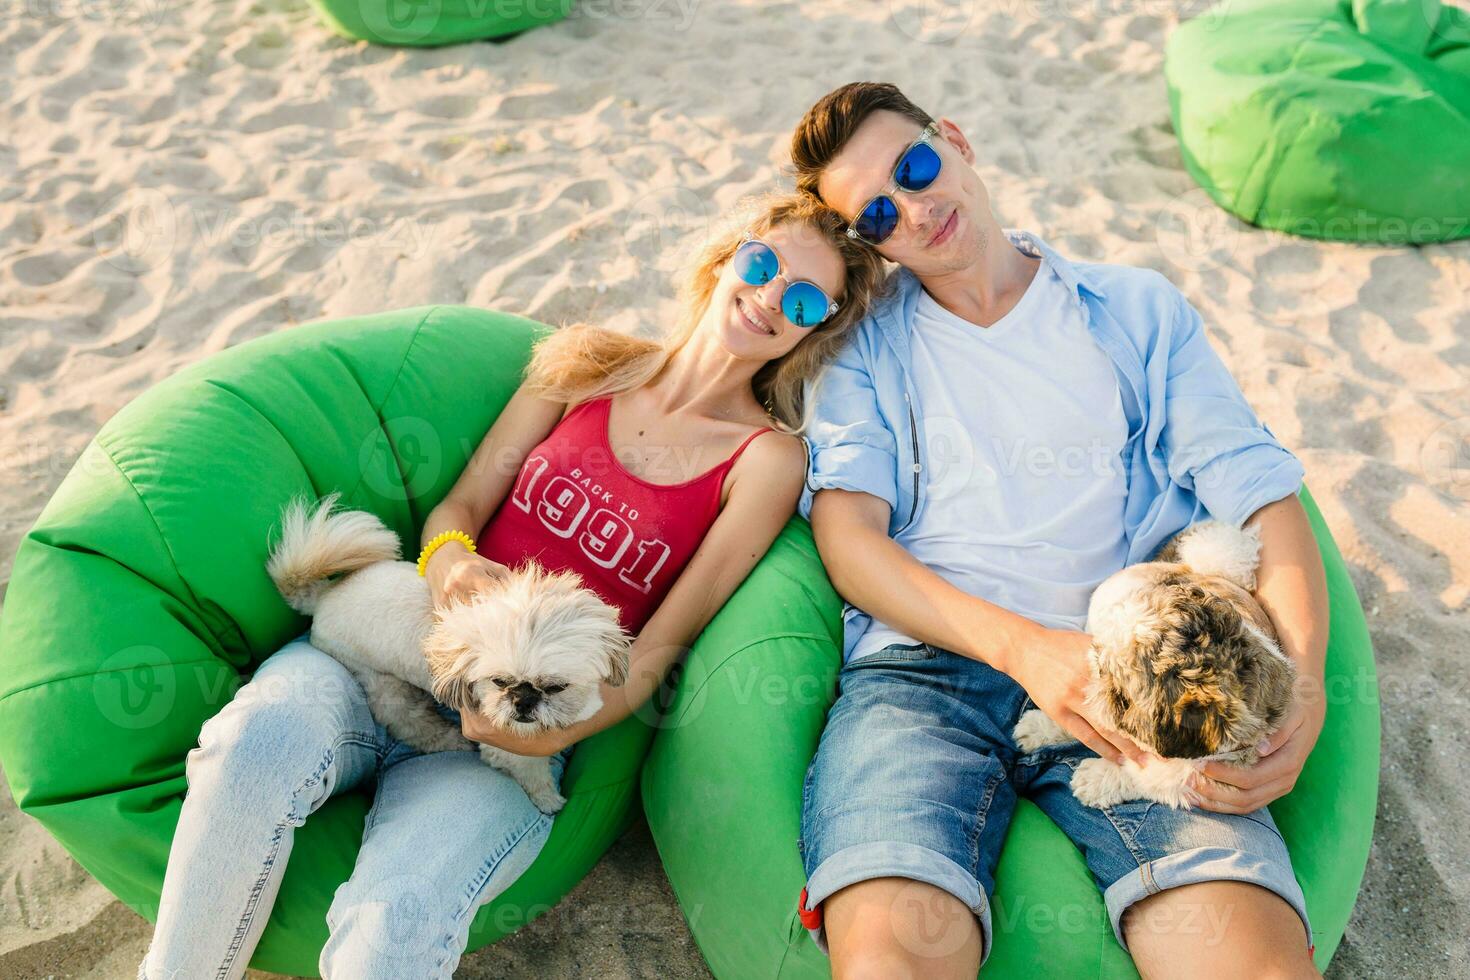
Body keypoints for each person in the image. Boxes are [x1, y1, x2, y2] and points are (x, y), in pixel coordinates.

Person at [138, 192, 884, 979]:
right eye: (763, 264)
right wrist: (452, 557)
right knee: (247, 752)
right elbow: (457, 508)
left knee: (397, 921)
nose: (769, 297)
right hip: (386, 646)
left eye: (801, 298)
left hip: (515, 736)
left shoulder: (765, 460)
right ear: (732, 252)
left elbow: (666, 640)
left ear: (817, 325)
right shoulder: (588, 363)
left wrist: (556, 736)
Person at [789, 82, 1329, 979]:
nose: (915, 211)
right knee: (891, 964)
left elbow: (1264, 497)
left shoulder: (1133, 310)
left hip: (1138, 679)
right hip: (924, 681)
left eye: (917, 168)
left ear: (954, 139)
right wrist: (1028, 653)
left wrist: (1303, 690)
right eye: (879, 214)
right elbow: (849, 541)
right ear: (870, 243)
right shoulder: (864, 347)